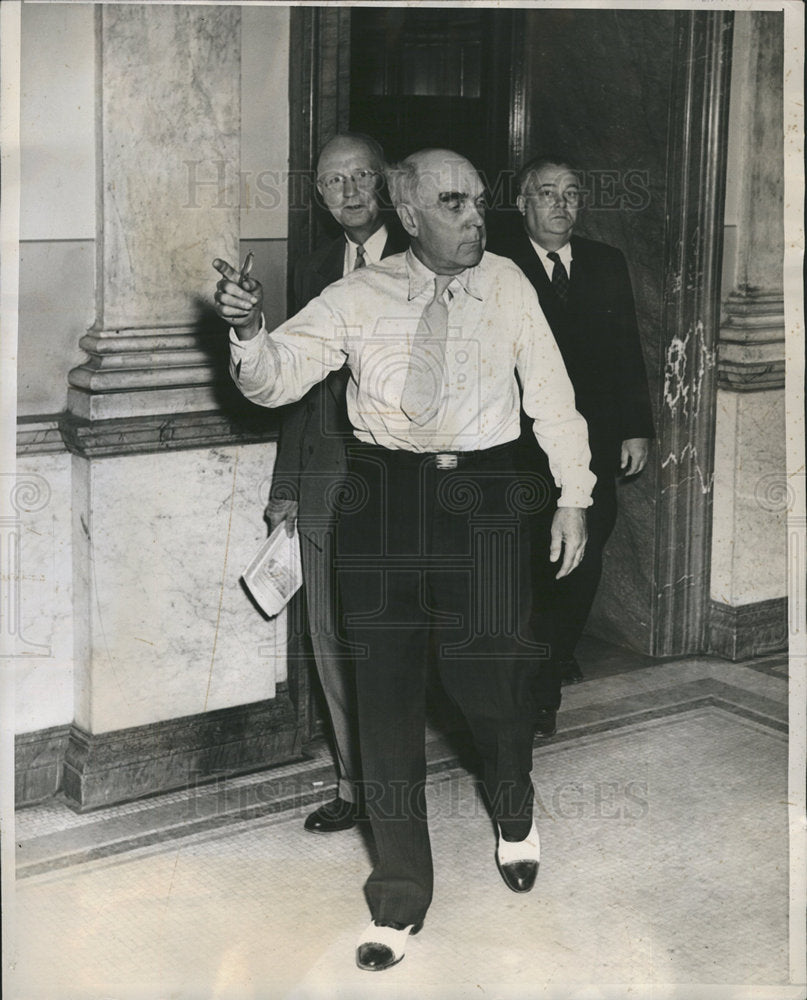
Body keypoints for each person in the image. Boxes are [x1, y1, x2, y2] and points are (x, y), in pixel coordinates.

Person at [212, 148, 595, 972]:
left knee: (491, 686)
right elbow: (274, 381)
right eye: (453, 204)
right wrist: (247, 330)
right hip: (381, 501)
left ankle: (513, 805)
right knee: (382, 701)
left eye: (479, 202)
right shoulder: (357, 295)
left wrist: (573, 496)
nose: (474, 219)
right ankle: (398, 896)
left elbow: (553, 398)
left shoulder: (508, 286)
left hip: (485, 499)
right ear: (409, 214)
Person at [267, 133, 407, 835]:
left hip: (407, 478)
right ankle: (356, 785)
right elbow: (295, 386)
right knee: (327, 635)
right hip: (325, 478)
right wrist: (286, 487)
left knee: (400, 634)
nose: (348, 192)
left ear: (382, 184)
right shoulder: (317, 267)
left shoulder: (428, 256)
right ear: (320, 196)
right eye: (332, 182)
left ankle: (402, 784)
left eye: (359, 177)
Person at [495, 155, 654, 717]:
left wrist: (636, 429)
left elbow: (627, 351)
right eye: (546, 193)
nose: (560, 205)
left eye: (570, 193)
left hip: (595, 444)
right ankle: (528, 674)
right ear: (522, 203)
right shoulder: (496, 264)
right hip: (516, 448)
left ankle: (550, 670)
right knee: (526, 561)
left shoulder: (606, 262)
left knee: (583, 560)